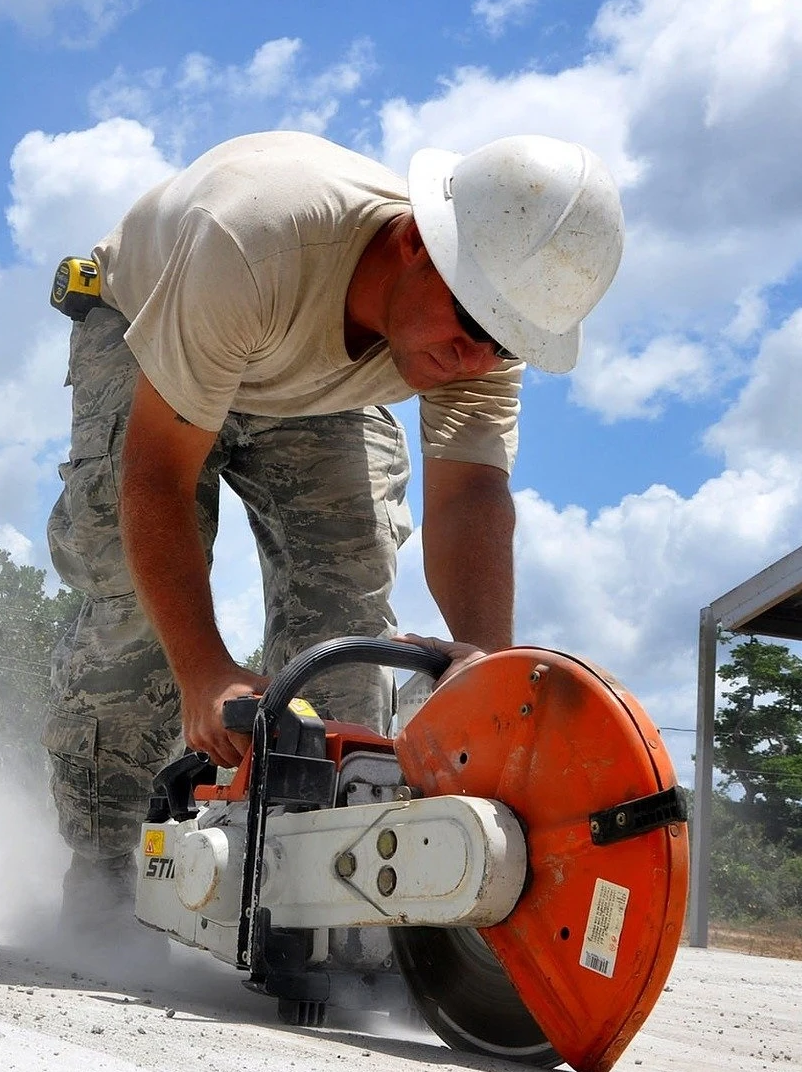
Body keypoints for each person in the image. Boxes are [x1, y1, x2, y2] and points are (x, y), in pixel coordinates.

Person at [41, 131, 625, 933]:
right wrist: (206, 670)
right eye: (469, 326)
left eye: (503, 344)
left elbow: (471, 496)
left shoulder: (485, 325)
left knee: (347, 624)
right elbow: (157, 479)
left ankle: (304, 898)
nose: (474, 359)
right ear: (420, 243)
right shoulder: (251, 242)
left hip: (307, 378)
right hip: (154, 322)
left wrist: (484, 666)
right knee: (141, 614)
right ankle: (104, 882)